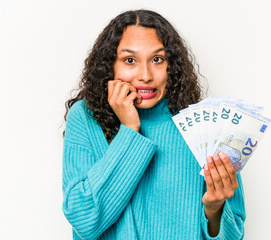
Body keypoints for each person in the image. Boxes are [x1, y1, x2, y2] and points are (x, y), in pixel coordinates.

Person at [62, 9, 245, 240]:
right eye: (130, 60)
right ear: (110, 66)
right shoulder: (86, 117)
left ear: (172, 66)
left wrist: (215, 208)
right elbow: (85, 220)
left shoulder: (206, 126)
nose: (145, 75)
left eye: (157, 59)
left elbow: (234, 235)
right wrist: (129, 129)